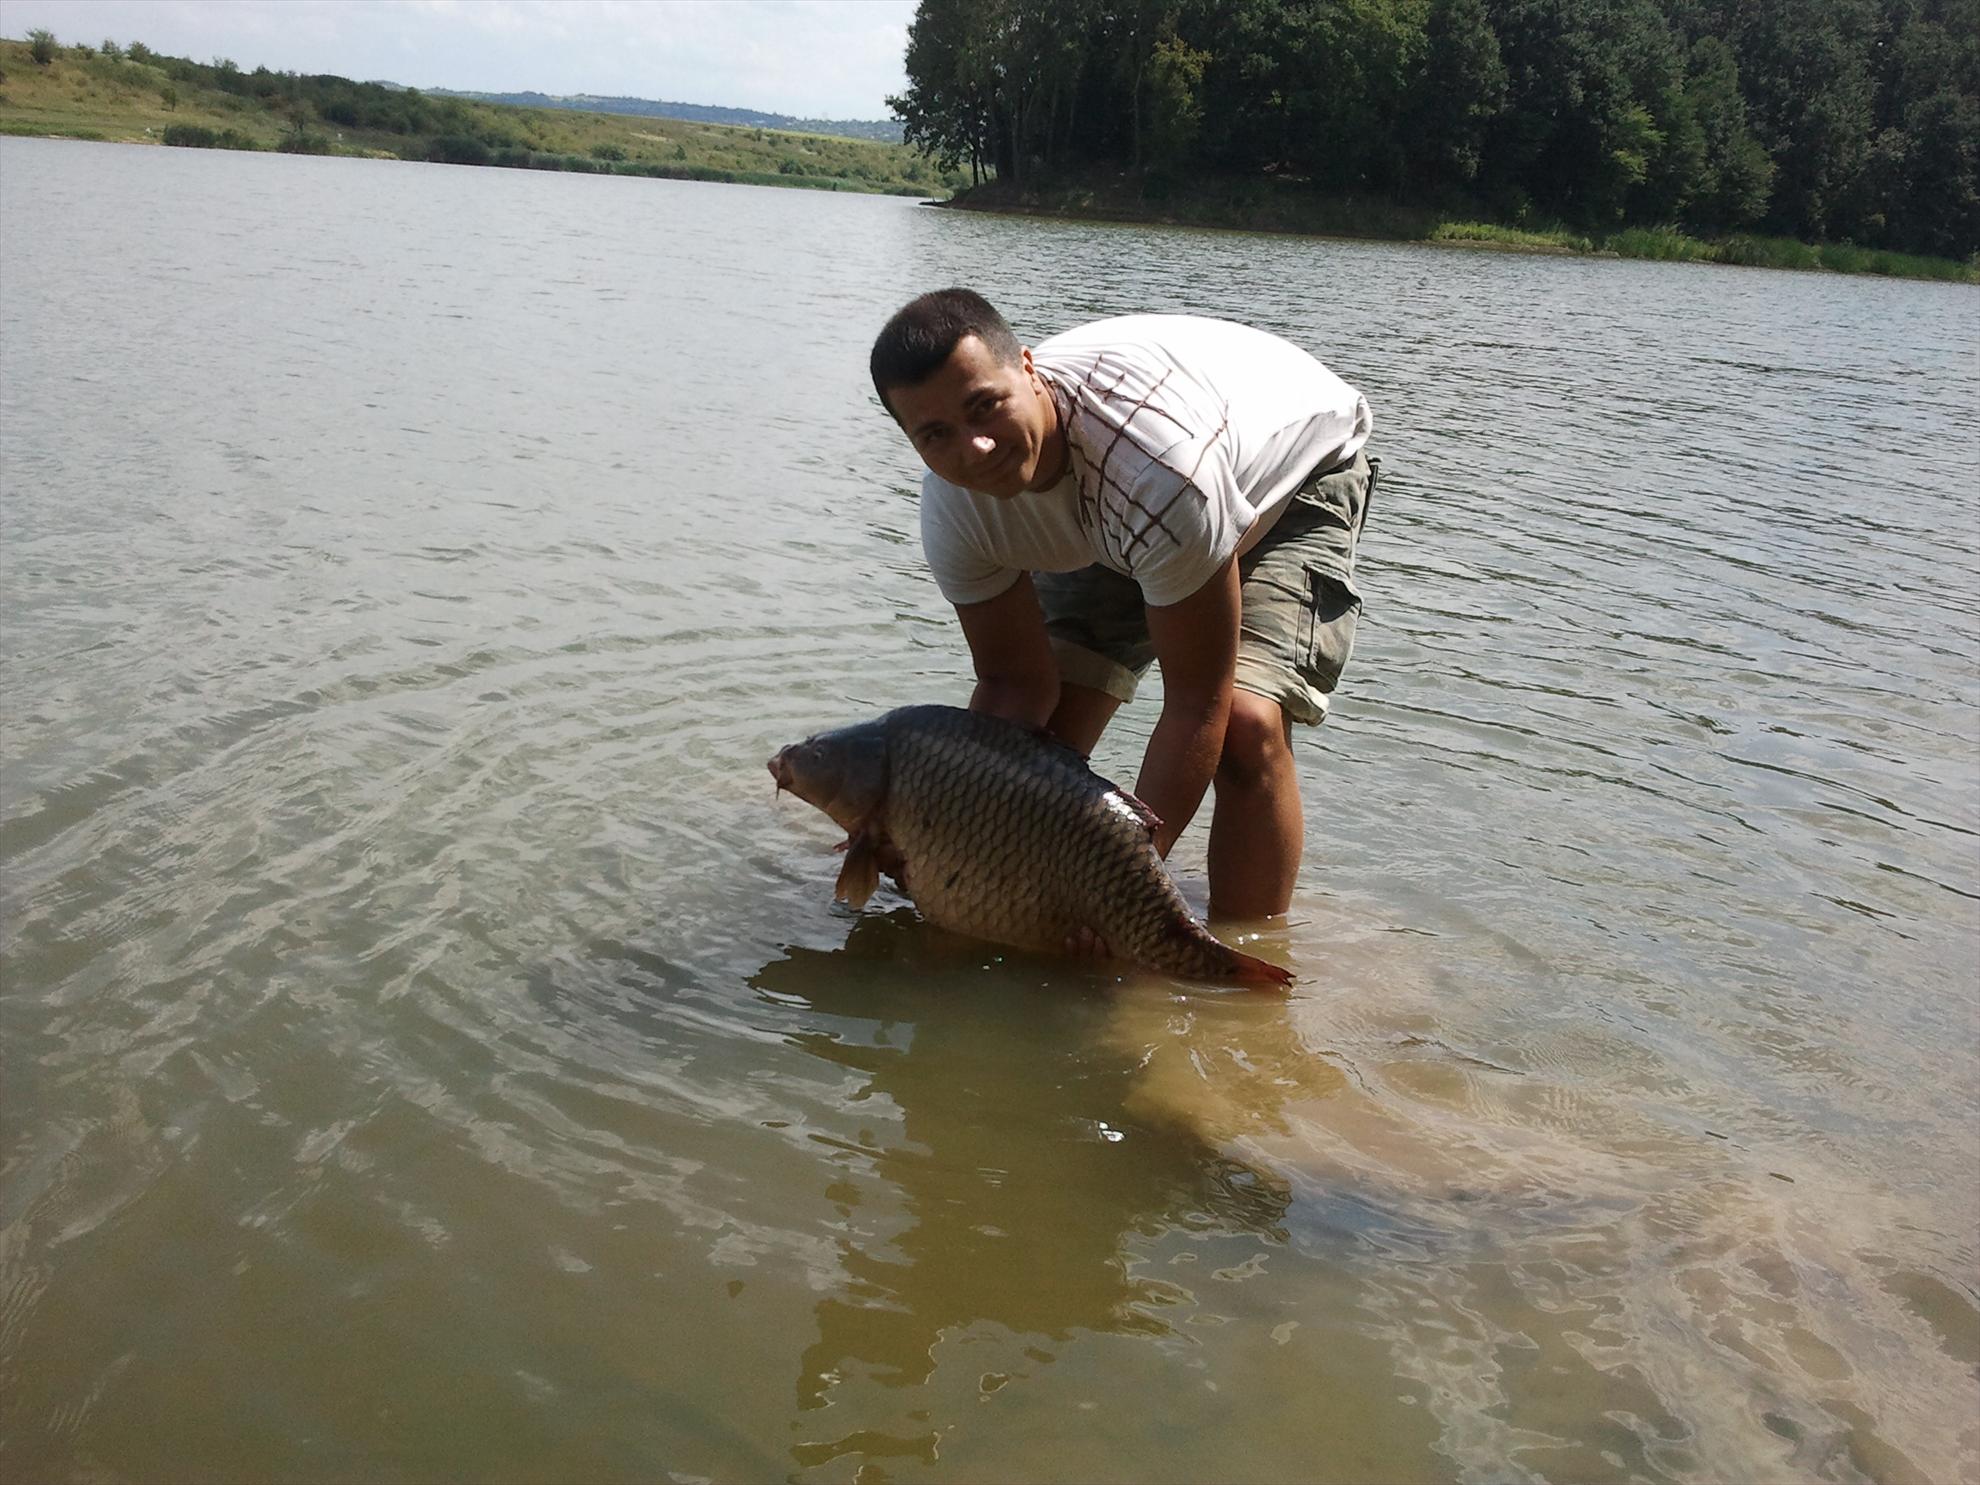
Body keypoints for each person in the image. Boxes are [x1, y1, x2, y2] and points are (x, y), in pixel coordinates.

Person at [869, 289, 1376, 921]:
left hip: (1291, 469)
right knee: (1041, 745)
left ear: (1028, 370)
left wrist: (1115, 889)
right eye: (937, 433)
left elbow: (1197, 704)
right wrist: (949, 856)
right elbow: (1013, 685)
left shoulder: (1160, 476)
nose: (976, 449)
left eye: (986, 407)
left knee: (1246, 727)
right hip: (1129, 506)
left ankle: (1245, 976)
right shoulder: (955, 512)